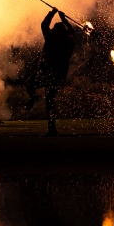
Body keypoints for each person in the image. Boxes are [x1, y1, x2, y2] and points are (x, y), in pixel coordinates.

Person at [24, 7, 76, 136]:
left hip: (45, 70)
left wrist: (52, 13)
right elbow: (72, 32)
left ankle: (33, 95)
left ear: (55, 31)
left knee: (29, 84)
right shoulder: (70, 41)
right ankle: (52, 128)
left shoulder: (51, 38)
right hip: (59, 74)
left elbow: (44, 24)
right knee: (50, 99)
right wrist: (64, 19)